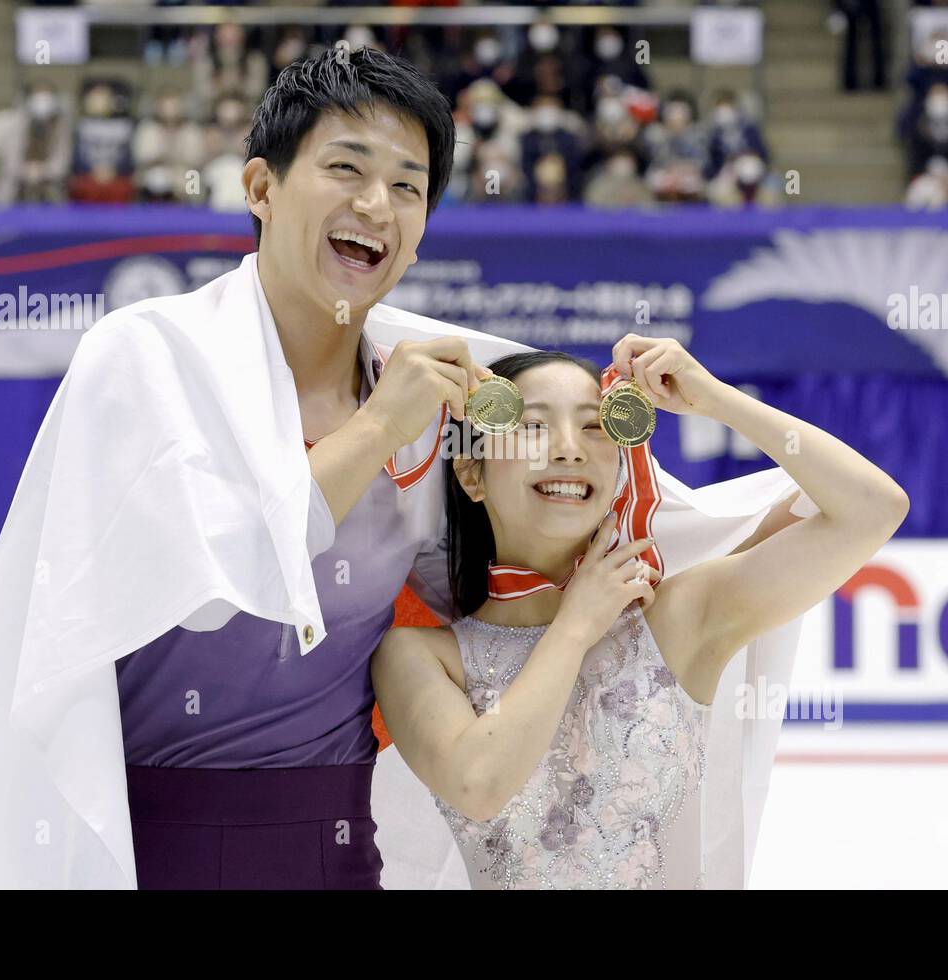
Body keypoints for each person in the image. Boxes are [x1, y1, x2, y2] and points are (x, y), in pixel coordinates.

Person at [0, 46, 821, 891]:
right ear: (261, 186)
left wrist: (742, 525)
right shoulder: (150, 359)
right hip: (163, 840)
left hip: (339, 843)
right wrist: (378, 428)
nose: (377, 206)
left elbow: (548, 532)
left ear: (423, 233)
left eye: (407, 186)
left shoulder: (429, 393)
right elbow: (212, 585)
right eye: (346, 170)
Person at [372, 344, 908, 888]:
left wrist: (717, 400)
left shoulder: (676, 620)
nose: (568, 449)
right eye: (533, 426)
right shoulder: (419, 656)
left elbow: (874, 509)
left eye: (594, 428)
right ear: (471, 473)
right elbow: (479, 786)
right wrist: (575, 624)